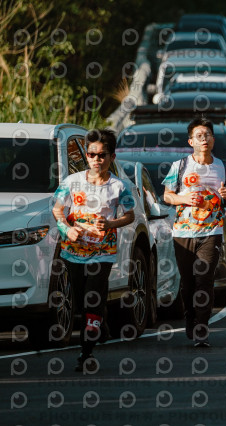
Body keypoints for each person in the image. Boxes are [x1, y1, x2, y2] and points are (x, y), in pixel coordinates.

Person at [52, 129, 135, 371]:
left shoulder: (118, 186)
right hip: (73, 251)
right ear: (86, 156)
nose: (96, 159)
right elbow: (57, 210)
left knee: (93, 297)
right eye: (92, 154)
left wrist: (110, 224)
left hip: (103, 252)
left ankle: (86, 353)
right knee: (80, 302)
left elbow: (129, 216)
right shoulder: (72, 182)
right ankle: (102, 321)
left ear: (112, 157)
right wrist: (67, 229)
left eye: (102, 155)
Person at [162, 118, 226, 347]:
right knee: (188, 282)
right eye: (199, 136)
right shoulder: (180, 166)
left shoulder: (223, 167)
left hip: (212, 231)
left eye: (207, 135)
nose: (204, 139)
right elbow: (167, 196)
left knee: (204, 279)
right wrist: (184, 198)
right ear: (191, 141)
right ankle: (190, 316)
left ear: (213, 140)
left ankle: (202, 328)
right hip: (183, 233)